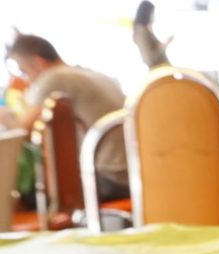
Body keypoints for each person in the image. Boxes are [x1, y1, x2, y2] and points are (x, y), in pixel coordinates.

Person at [0, 34, 130, 201]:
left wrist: (4, 116)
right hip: (131, 171)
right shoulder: (87, 72)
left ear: (38, 62)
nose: (25, 79)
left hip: (109, 176)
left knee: (24, 195)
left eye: (24, 71)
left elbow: (23, 130)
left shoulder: (53, 78)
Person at [133, 1, 173, 68]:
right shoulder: (141, 31)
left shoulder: (145, 30)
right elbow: (148, 59)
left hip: (163, 69)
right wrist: (163, 45)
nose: (153, 17)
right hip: (159, 71)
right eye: (152, 13)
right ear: (146, 14)